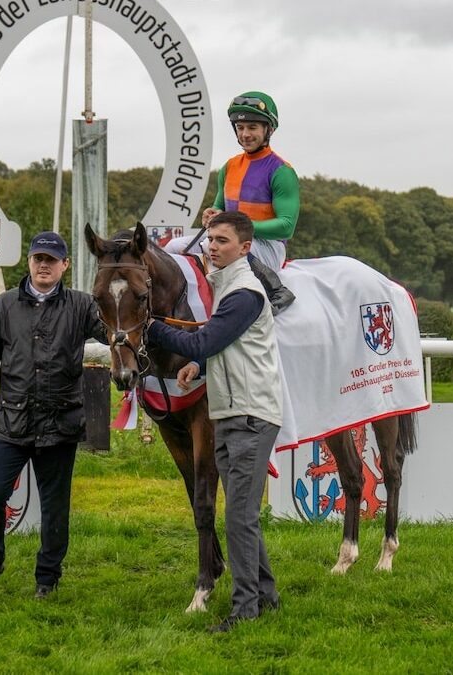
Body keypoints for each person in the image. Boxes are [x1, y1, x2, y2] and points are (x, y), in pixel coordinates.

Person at [148, 211, 284, 632]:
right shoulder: (226, 286)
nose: (212, 246)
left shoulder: (243, 292)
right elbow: (228, 347)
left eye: (222, 240)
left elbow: (206, 339)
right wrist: (201, 367)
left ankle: (245, 610)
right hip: (230, 412)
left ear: (245, 248)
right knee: (242, 515)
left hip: (250, 415)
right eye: (210, 239)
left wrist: (153, 328)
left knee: (239, 516)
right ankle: (266, 595)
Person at [0, 231, 107, 599]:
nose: (44, 265)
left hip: (60, 423)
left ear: (65, 265)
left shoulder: (82, 306)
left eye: (51, 260)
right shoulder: (4, 306)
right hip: (11, 421)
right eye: (38, 258)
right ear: (29, 262)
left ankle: (47, 577)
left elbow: (116, 333)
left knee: (55, 508)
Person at [165, 90, 299, 315]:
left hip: (267, 246)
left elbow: (286, 226)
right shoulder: (229, 167)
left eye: (252, 127)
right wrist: (212, 215)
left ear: (269, 130)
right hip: (230, 239)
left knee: (222, 247)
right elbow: (220, 208)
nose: (245, 134)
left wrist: (238, 227)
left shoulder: (282, 171)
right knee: (173, 247)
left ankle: (277, 290)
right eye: (240, 127)